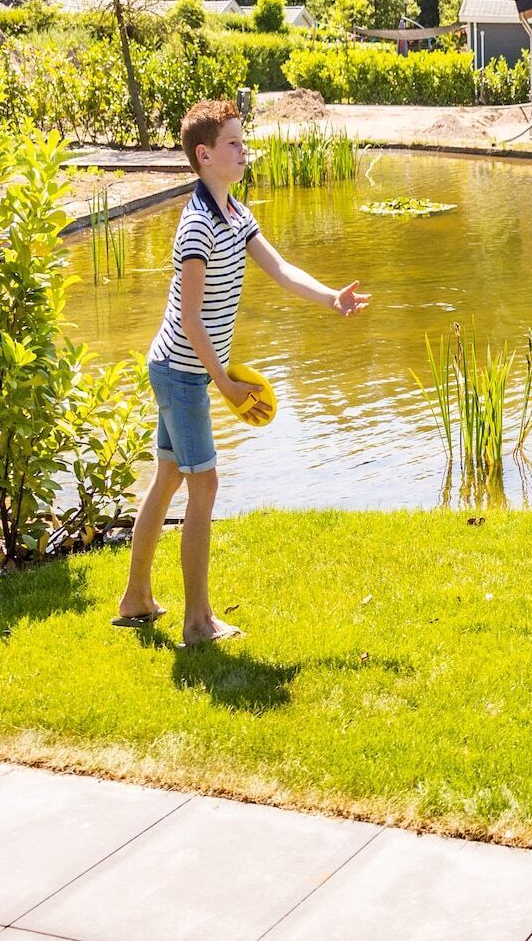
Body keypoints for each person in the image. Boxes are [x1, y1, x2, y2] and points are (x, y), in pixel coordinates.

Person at [115, 99, 370, 644]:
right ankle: (197, 622)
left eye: (242, 140)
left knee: (169, 478)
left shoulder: (235, 214)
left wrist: (331, 298)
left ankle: (136, 598)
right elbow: (191, 320)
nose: (244, 149)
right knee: (203, 485)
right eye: (233, 142)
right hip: (182, 371)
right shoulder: (197, 227)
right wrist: (225, 384)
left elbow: (279, 268)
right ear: (204, 155)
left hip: (181, 369)